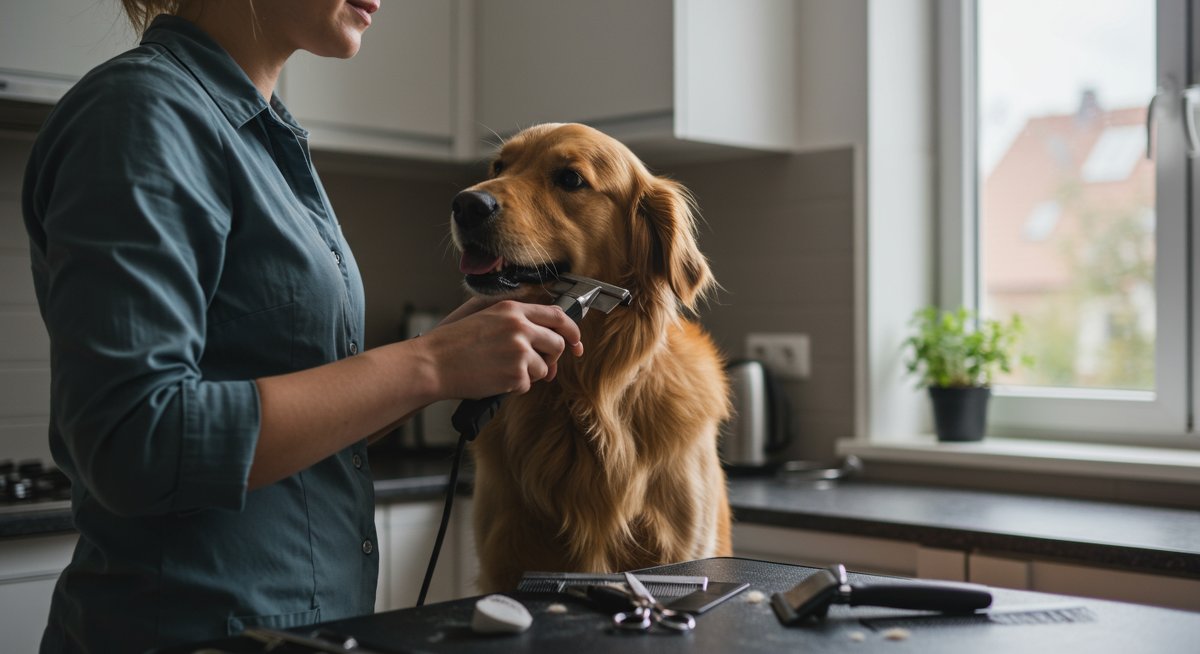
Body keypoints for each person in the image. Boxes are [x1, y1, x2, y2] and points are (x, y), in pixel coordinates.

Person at [21, 1, 582, 651]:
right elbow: (133, 441)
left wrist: (438, 356)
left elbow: (305, 405)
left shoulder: (260, 137)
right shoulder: (142, 114)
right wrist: (429, 365)